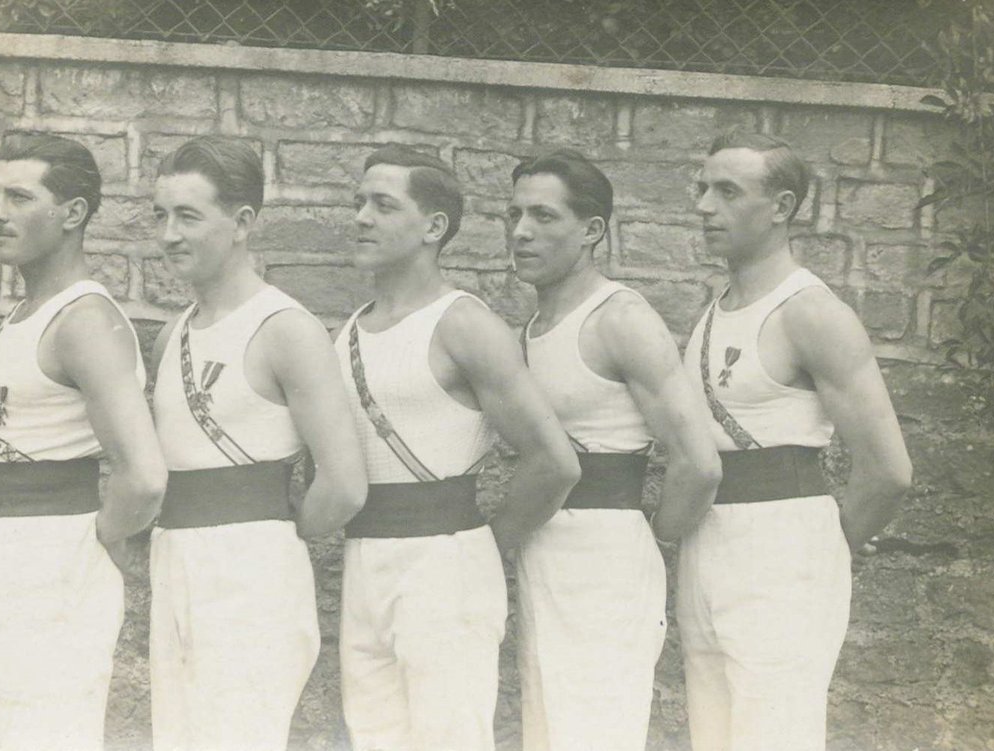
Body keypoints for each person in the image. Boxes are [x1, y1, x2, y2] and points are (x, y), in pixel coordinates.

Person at [335, 144, 580, 751]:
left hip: (444, 561)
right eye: (359, 202)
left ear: (434, 227)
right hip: (364, 556)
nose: (362, 216)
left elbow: (554, 460)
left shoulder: (462, 323)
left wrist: (480, 547)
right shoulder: (349, 329)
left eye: (383, 205)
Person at [678, 131, 913, 751]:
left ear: (781, 207)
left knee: (773, 733)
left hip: (783, 548)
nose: (705, 206)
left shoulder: (810, 312)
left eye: (727, 191)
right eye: (703, 188)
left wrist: (820, 554)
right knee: (713, 733)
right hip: (709, 537)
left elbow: (888, 471)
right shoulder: (715, 307)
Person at [148, 136, 368, 751]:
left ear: (243, 222)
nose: (168, 234)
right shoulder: (171, 336)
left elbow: (344, 483)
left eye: (188, 215)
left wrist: (268, 541)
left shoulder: (286, 329)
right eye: (160, 215)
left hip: (252, 571)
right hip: (176, 559)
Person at [507, 148, 722, 750]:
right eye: (515, 214)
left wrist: (650, 538)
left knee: (597, 730)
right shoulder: (532, 328)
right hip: (544, 547)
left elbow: (698, 462)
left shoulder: (620, 318)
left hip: (605, 557)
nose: (522, 232)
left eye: (544, 217)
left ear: (592, 230)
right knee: (547, 726)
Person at [0, 133, 166, 750]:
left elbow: (144, 474)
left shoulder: (86, 320)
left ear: (73, 214)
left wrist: (89, 544)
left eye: (19, 196)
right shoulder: (30, 310)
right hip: (1, 547)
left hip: (52, 552)